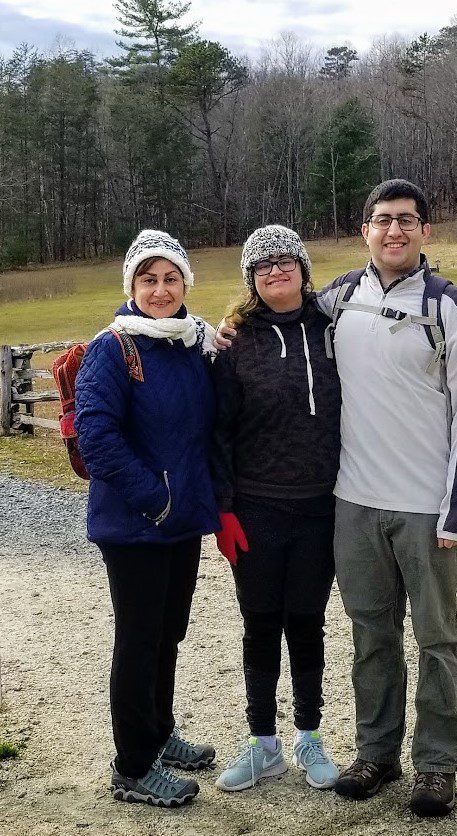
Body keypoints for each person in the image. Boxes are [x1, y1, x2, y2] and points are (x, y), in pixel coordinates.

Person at [216, 180, 457, 816]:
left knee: (436, 638)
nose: (394, 232)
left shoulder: (450, 307)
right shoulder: (338, 299)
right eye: (381, 221)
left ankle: (435, 764)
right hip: (353, 501)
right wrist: (226, 330)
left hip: (427, 506)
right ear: (364, 230)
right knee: (371, 633)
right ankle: (376, 753)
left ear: (425, 231)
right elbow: (269, 314)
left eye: (406, 221)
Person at [75, 229, 220, 808]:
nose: (160, 291)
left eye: (170, 278)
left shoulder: (191, 342)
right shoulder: (113, 348)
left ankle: (158, 733)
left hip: (179, 520)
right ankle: (133, 766)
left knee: (168, 635)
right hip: (138, 524)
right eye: (148, 279)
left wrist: (179, 506)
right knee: (139, 641)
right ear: (131, 286)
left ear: (185, 282)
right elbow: (96, 438)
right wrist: (154, 500)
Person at [210, 225, 342, 792]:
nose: (275, 271)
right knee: (260, 621)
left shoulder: (337, 326)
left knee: (307, 621)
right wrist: (224, 508)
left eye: (285, 261)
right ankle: (262, 740)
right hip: (257, 508)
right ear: (251, 280)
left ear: (304, 268)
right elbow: (216, 431)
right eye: (262, 267)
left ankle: (309, 734)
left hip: (321, 506)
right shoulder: (235, 342)